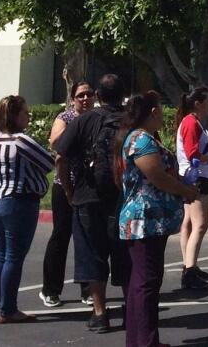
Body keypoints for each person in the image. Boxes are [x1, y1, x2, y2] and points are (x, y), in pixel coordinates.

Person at [115, 90, 199, 347]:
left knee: (143, 281)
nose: (163, 115)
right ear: (152, 112)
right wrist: (185, 190)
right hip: (144, 218)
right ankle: (146, 341)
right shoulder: (141, 140)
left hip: (150, 219)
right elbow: (157, 176)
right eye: (161, 110)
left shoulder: (140, 138)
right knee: (146, 283)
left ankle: (140, 339)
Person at [53, 73, 130, 333]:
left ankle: (99, 313)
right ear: (123, 95)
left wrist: (69, 190)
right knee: (126, 254)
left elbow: (60, 157)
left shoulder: (85, 120)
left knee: (92, 255)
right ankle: (132, 309)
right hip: (124, 198)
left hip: (89, 195)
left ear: (98, 96)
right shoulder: (132, 121)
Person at [0, 94, 53, 324]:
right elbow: (48, 162)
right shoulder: (21, 140)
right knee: (14, 256)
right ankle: (8, 309)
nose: (28, 115)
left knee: (3, 253)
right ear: (15, 115)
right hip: (17, 202)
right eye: (25, 112)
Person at [39, 81, 94, 308]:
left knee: (89, 239)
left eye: (89, 95)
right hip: (64, 186)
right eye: (80, 95)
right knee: (61, 236)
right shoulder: (65, 118)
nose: (85, 98)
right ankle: (50, 290)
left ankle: (89, 290)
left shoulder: (97, 118)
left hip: (87, 186)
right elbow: (54, 143)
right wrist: (78, 130)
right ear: (73, 99)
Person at [176, 86, 208, 289]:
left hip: (192, 175)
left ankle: (190, 265)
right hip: (196, 176)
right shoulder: (191, 123)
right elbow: (193, 153)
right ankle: (189, 270)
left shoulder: (193, 123)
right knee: (200, 224)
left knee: (189, 223)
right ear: (198, 103)